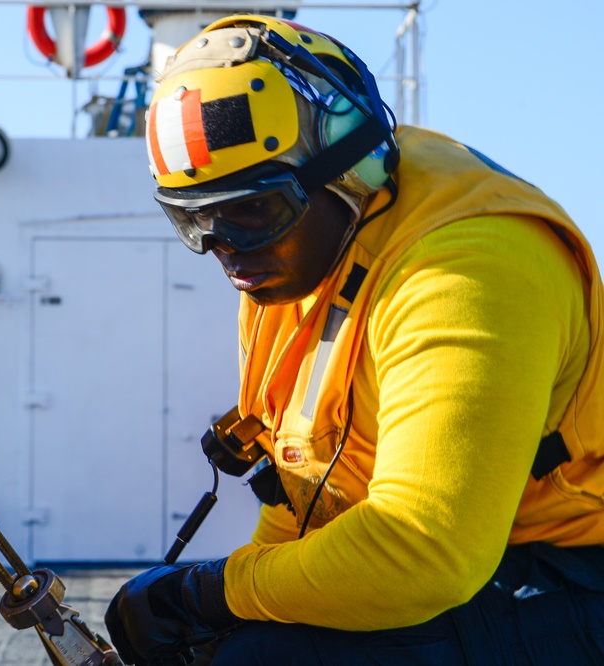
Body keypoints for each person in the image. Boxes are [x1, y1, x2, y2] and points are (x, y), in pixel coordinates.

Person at [104, 13, 604, 665]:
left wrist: (205, 592)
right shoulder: (293, 259)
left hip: (572, 573)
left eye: (250, 209)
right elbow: (298, 499)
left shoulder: (469, 269)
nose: (220, 248)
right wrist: (218, 608)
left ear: (351, 172)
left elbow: (424, 551)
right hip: (483, 566)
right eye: (192, 219)